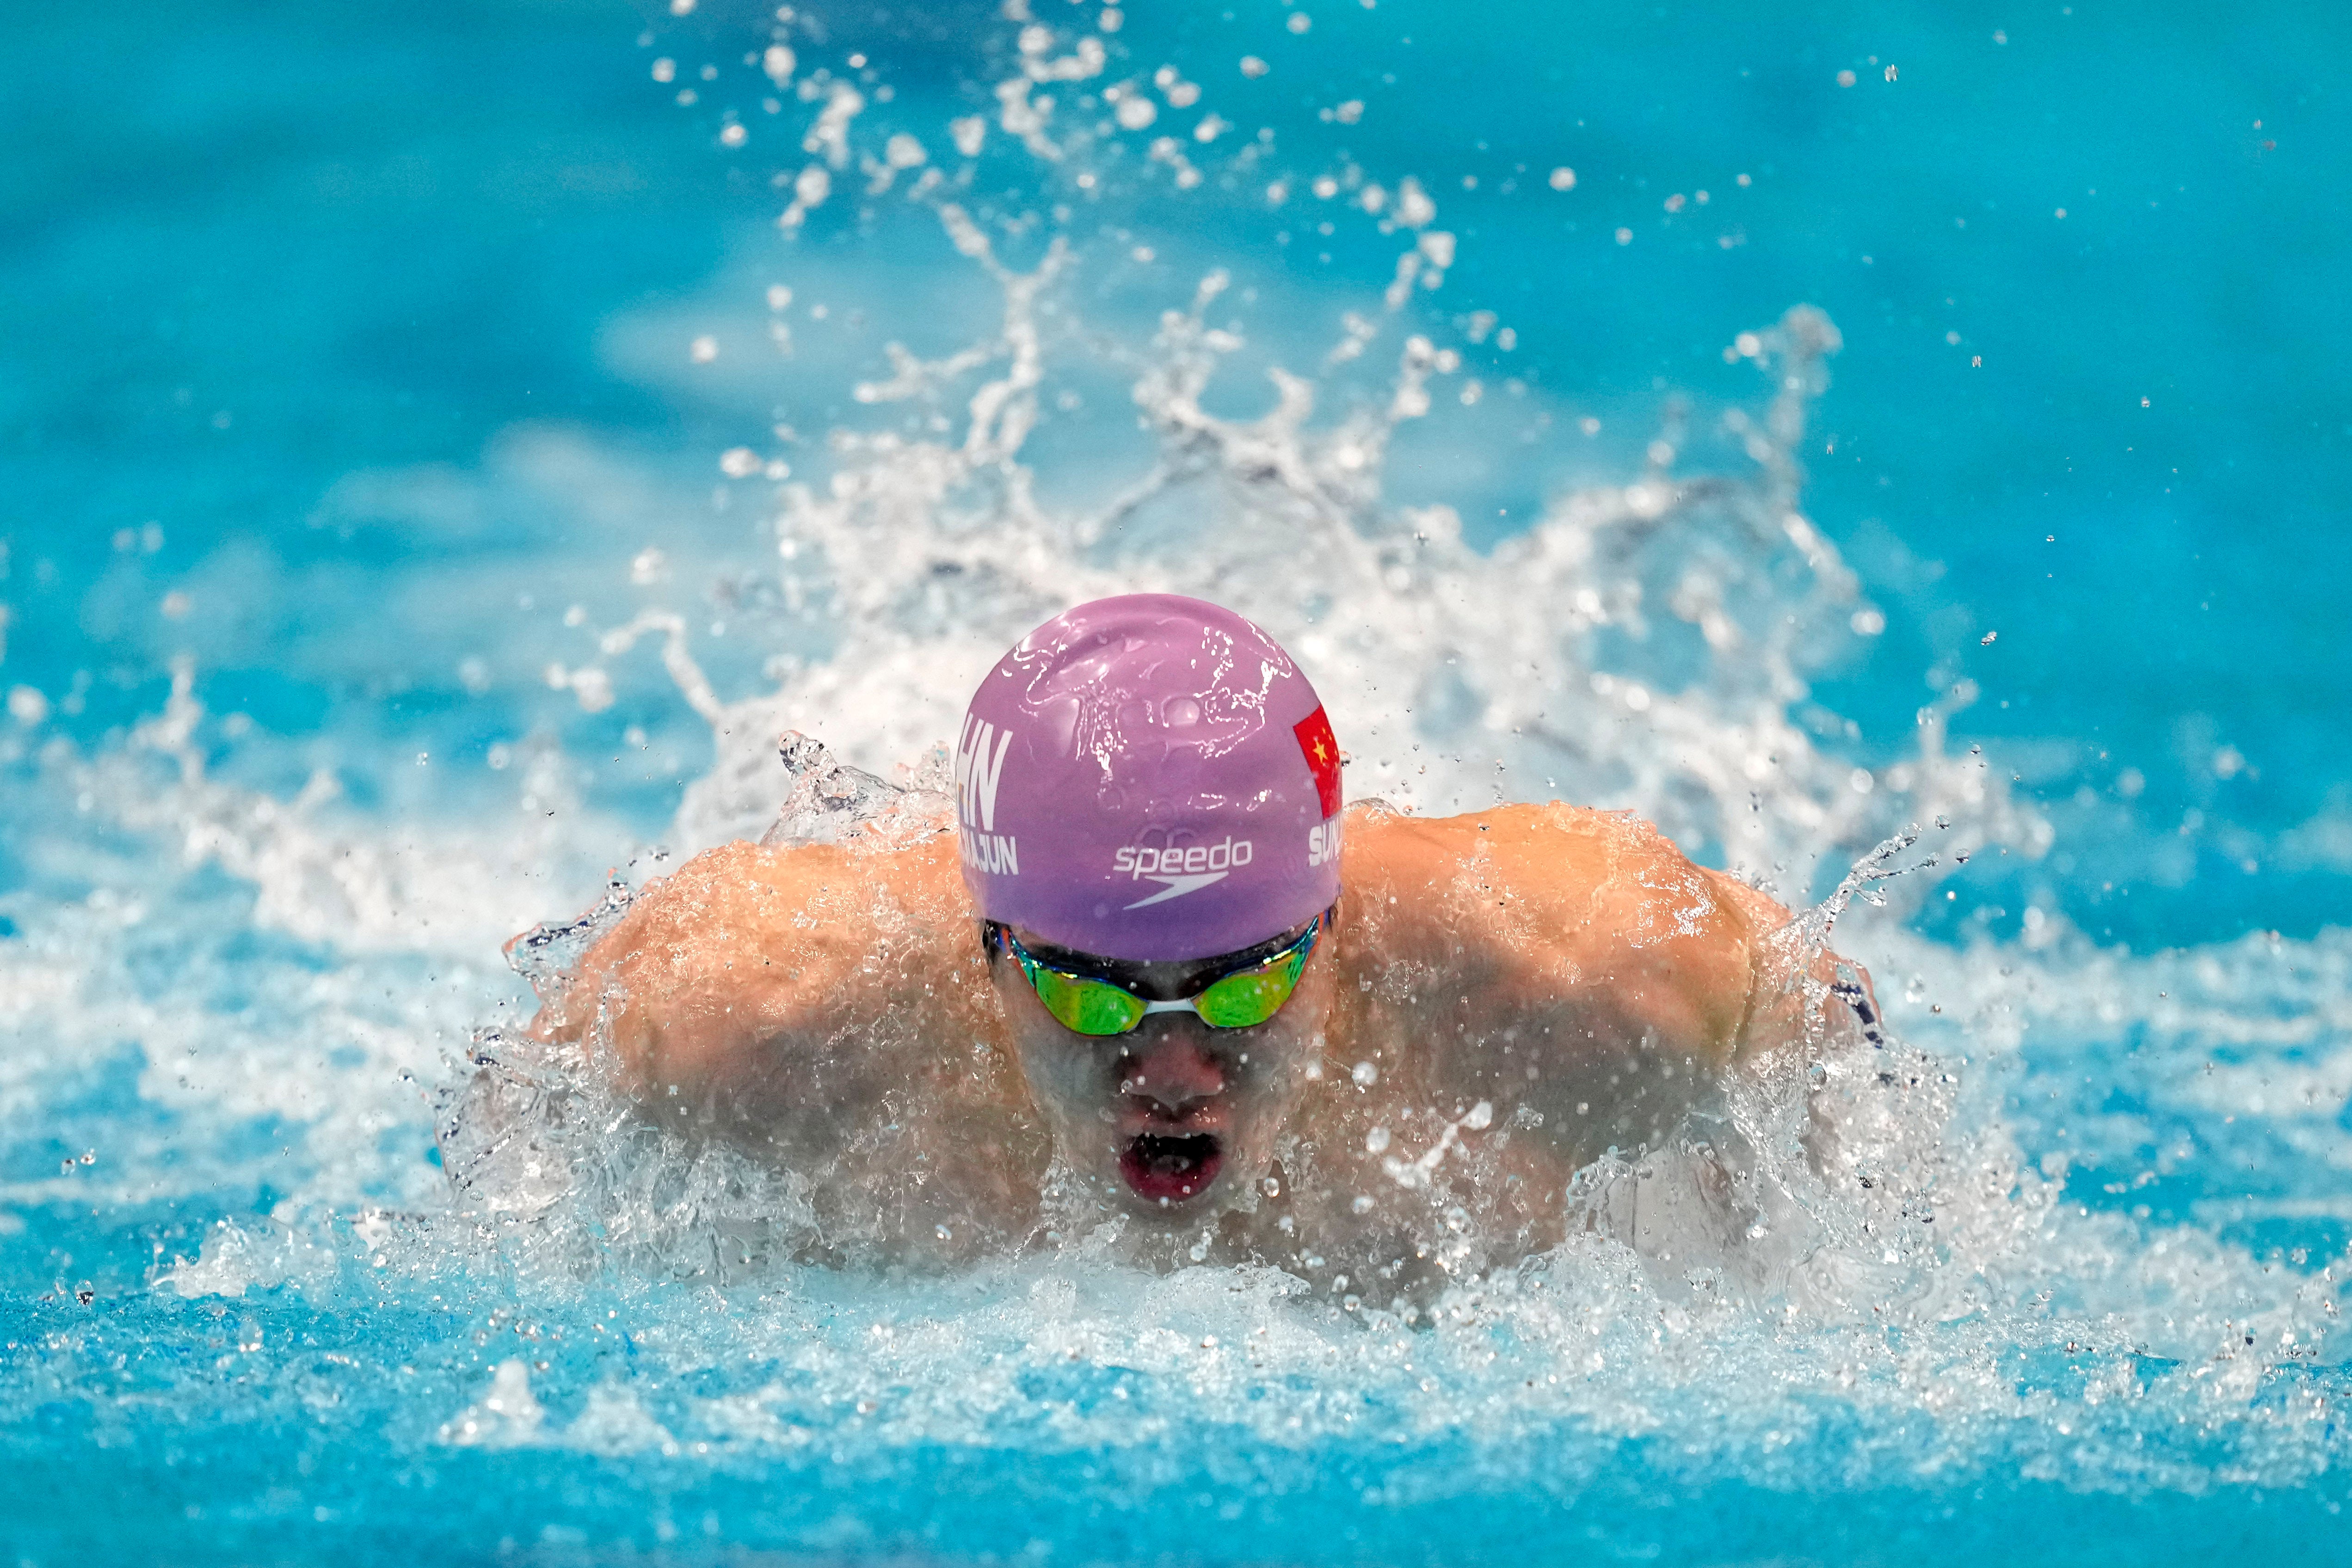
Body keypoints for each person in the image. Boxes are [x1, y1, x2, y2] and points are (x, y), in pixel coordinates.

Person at [522, 595, 1871, 1293]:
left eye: (1248, 981)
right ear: (987, 943)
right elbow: (524, 1112)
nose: (1173, 1071)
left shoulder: (1593, 968)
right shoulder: (754, 1008)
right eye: (1092, 997)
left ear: (1329, 929)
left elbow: (1838, 1038)